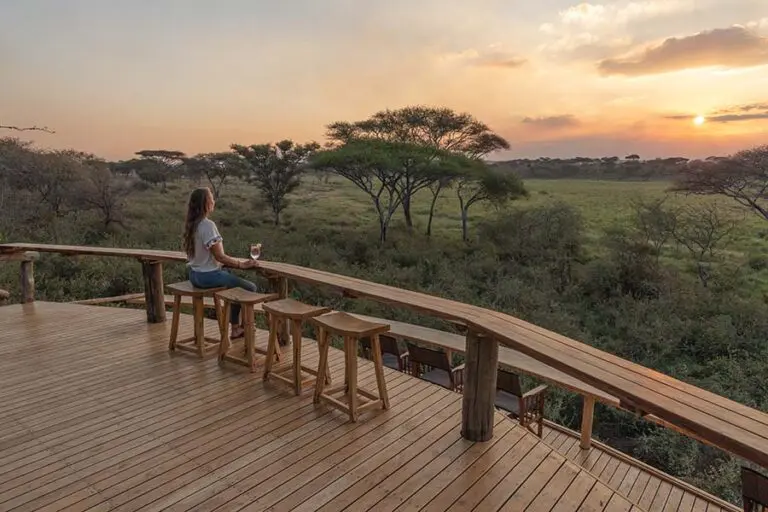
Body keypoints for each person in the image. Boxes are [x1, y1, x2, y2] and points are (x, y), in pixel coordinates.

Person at [183, 187, 258, 339]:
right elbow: (220, 256)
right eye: (211, 198)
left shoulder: (192, 225)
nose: (214, 201)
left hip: (194, 275)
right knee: (249, 287)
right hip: (207, 276)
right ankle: (240, 327)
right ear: (206, 203)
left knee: (233, 282)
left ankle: (236, 327)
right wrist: (241, 264)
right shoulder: (207, 225)